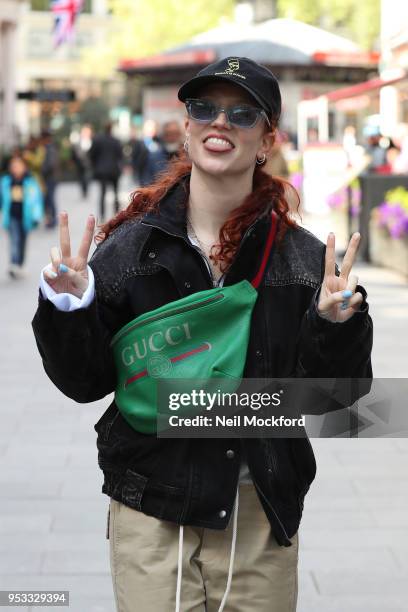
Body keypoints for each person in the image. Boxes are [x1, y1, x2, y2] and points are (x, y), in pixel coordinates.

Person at [32, 56, 373, 612]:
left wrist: (335, 324)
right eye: (204, 109)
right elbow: (84, 381)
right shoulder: (130, 250)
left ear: (267, 140)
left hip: (259, 511)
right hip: (151, 508)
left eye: (242, 114)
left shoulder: (307, 262)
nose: (220, 123)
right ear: (186, 127)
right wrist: (71, 304)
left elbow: (343, 402)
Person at [1, 154, 43, 278]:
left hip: (26, 217)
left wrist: (36, 216)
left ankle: (20, 263)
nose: (16, 168)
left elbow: (36, 201)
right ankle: (13, 263)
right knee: (14, 239)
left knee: (23, 241)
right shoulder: (6, 182)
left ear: (24, 167)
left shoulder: (30, 182)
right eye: (13, 166)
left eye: (19, 166)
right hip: (12, 216)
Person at [89, 122, 123, 221]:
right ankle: (116, 213)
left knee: (103, 193)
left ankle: (102, 215)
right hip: (114, 170)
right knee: (116, 192)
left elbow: (92, 154)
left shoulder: (97, 140)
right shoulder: (116, 140)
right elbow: (120, 155)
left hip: (102, 170)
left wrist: (95, 165)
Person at [140, 120, 184, 185]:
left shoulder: (188, 157)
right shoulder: (154, 157)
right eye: (168, 134)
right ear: (164, 136)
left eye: (175, 134)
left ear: (180, 135)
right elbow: (146, 181)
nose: (172, 137)